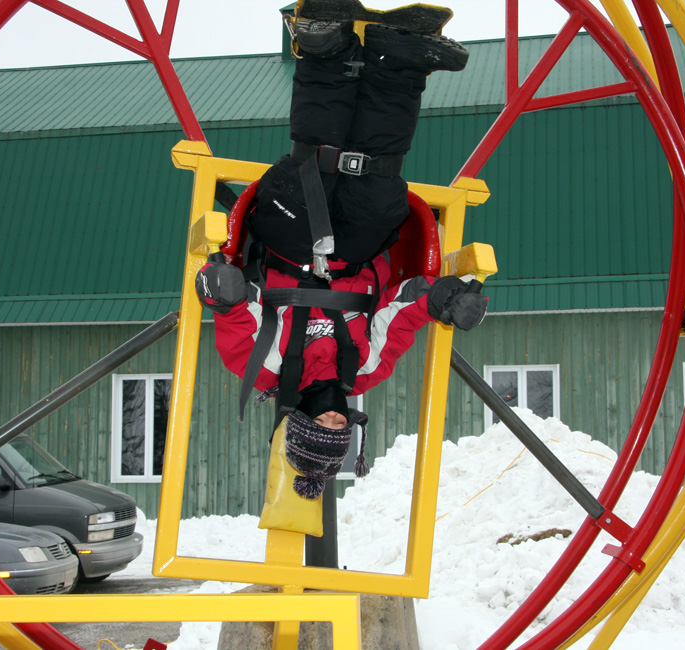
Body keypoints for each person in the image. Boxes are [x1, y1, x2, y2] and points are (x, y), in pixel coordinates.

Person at [195, 12, 487, 499]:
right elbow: (402, 311)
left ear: (303, 422)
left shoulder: (262, 367)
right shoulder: (366, 368)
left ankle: (324, 51)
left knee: (310, 170)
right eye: (339, 426)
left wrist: (219, 290)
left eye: (323, 425)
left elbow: (233, 308)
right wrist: (444, 302)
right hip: (356, 255)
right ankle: (398, 63)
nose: (332, 416)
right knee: (379, 190)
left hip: (286, 250)